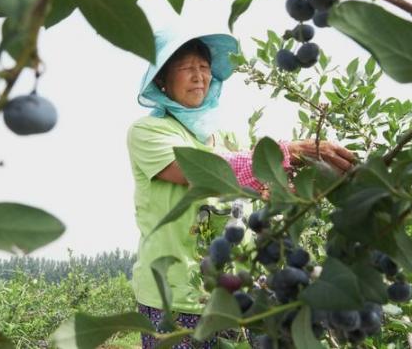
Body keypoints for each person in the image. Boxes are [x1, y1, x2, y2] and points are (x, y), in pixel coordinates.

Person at [127, 28, 355, 348]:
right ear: (163, 81)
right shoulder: (149, 131)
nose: (198, 76)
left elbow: (254, 181)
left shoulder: (222, 137)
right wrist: (290, 152)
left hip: (230, 297)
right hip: (175, 298)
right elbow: (207, 171)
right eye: (186, 68)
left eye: (204, 68)